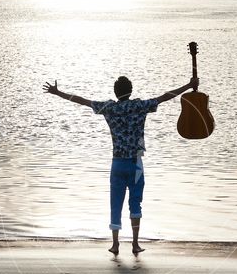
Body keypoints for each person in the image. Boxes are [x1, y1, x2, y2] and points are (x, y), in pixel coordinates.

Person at [43, 75, 198, 255]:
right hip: (136, 164)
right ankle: (135, 244)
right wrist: (188, 85)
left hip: (117, 163)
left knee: (115, 204)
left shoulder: (109, 108)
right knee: (135, 204)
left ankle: (115, 244)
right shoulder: (139, 106)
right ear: (131, 90)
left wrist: (57, 92)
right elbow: (165, 96)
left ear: (115, 93)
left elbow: (82, 101)